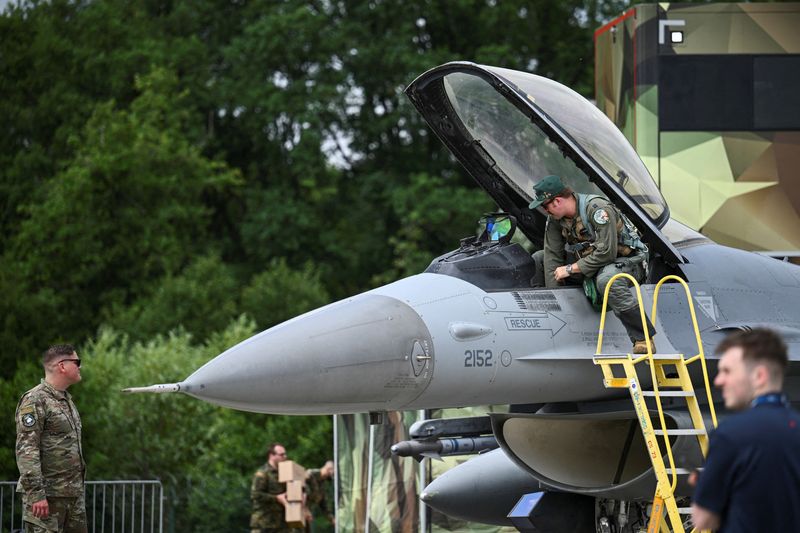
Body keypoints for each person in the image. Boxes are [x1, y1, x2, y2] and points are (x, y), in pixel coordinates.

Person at [529, 175, 656, 354]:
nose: (545, 211)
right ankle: (560, 324)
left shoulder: (597, 210)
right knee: (539, 258)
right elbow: (552, 257)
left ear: (557, 201)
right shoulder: (556, 220)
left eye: (545, 206)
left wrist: (571, 269)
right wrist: (557, 296)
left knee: (607, 280)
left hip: (627, 261)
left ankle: (643, 338)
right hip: (593, 262)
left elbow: (607, 253)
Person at [691, 328, 800, 532]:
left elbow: (704, 520)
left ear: (759, 376)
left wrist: (707, 486)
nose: (718, 381)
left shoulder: (729, 435)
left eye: (727, 371)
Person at [15, 344, 87, 533]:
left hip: (72, 497)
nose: (80, 366)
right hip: (47, 498)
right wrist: (36, 494)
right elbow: (27, 450)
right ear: (62, 366)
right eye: (77, 362)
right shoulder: (35, 399)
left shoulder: (66, 401)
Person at [251, 442, 292, 533]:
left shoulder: (285, 474)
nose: (285, 457)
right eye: (281, 455)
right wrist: (276, 498)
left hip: (281, 524)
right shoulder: (262, 473)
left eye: (285, 454)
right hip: (264, 523)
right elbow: (255, 495)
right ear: (272, 456)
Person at [305, 460, 334, 530]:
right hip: (299, 511)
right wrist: (305, 509)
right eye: (333, 473)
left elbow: (324, 505)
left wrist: (332, 519)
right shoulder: (310, 474)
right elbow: (299, 491)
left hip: (307, 516)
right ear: (329, 469)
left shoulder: (322, 485)